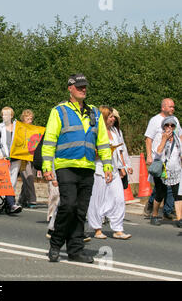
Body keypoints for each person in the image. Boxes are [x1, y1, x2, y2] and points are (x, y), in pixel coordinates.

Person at [42, 73, 113, 263]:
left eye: (85, 87)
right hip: (66, 166)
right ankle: (56, 244)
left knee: (81, 211)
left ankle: (75, 250)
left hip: (88, 167)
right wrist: (47, 165)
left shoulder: (95, 113)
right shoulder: (59, 111)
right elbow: (49, 141)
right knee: (68, 205)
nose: (83, 89)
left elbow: (103, 142)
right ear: (70, 88)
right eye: (79, 86)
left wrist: (107, 166)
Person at [87, 106, 132, 239]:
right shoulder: (95, 131)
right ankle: (97, 229)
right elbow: (90, 150)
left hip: (114, 169)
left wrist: (124, 166)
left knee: (119, 199)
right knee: (97, 200)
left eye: (113, 116)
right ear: (103, 117)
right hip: (99, 168)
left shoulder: (116, 131)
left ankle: (118, 229)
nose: (113, 119)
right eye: (110, 116)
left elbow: (121, 149)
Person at [144, 98, 181, 220]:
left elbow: (179, 136)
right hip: (159, 159)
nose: (172, 109)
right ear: (163, 107)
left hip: (174, 161)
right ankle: (152, 206)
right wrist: (149, 155)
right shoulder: (155, 121)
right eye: (170, 107)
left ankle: (168, 211)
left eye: (173, 107)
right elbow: (148, 139)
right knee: (161, 188)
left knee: (173, 189)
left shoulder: (175, 120)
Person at [150, 116, 181, 226]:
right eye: (167, 125)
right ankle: (154, 215)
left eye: (172, 125)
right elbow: (157, 153)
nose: (169, 127)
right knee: (160, 193)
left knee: (178, 194)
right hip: (162, 169)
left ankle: (179, 218)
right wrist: (164, 139)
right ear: (163, 126)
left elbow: (180, 153)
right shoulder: (159, 136)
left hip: (175, 170)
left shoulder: (177, 138)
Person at [0, 106, 22, 201]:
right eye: (3, 114)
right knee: (4, 179)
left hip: (16, 157)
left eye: (7, 114)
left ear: (11, 115)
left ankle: (11, 199)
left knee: (13, 180)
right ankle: (4, 198)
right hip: (4, 157)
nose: (5, 116)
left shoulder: (18, 127)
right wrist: (1, 155)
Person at [18, 109, 39, 208]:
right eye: (27, 118)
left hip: (32, 157)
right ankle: (32, 200)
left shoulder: (34, 129)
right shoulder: (19, 128)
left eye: (31, 118)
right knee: (28, 177)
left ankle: (22, 199)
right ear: (23, 118)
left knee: (28, 179)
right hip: (22, 158)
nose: (30, 120)